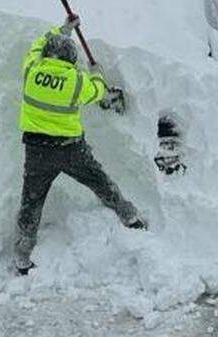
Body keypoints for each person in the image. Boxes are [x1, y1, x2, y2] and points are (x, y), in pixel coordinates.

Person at [13, 14, 145, 276]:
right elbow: (97, 91)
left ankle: (22, 255)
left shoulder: (31, 71)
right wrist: (96, 74)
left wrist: (62, 30)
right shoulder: (76, 81)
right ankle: (129, 215)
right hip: (70, 149)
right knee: (99, 180)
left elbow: (37, 46)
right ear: (70, 60)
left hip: (37, 150)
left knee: (31, 201)